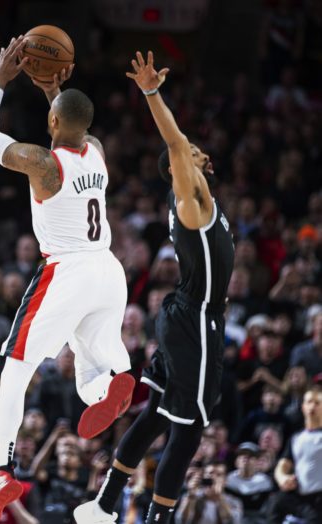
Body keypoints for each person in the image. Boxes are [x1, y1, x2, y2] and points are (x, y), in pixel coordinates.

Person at [0, 36, 135, 524]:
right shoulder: (98, 152)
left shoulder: (44, 165)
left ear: (51, 124)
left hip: (67, 271)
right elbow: (72, 123)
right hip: (109, 270)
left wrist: (1, 79)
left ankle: (0, 469)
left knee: (15, 371)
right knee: (87, 378)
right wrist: (52, 93)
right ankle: (115, 380)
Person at [74, 51, 235, 524]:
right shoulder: (190, 200)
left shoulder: (200, 200)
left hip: (183, 312)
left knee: (156, 413)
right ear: (179, 169)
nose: (198, 151)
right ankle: (156, 519)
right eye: (189, 154)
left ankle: (104, 503)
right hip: (196, 320)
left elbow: (179, 143)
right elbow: (176, 141)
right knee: (186, 432)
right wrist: (151, 93)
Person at [268, 385, 322, 523]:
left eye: (317, 403)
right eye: (309, 402)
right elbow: (283, 464)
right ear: (303, 407)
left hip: (319, 498)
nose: (312, 406)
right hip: (300, 496)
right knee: (276, 503)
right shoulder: (296, 438)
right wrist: (282, 478)